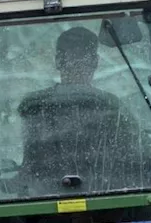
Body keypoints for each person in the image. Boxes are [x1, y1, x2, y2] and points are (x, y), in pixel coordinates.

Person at [17, 26, 134, 188]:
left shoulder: (34, 105)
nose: (78, 67)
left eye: (82, 60)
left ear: (58, 61)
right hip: (106, 199)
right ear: (95, 62)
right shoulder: (112, 106)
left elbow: (29, 165)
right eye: (75, 60)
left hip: (43, 198)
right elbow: (141, 156)